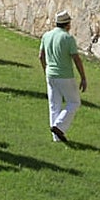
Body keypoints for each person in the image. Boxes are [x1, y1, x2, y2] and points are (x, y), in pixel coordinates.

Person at [39, 10, 87, 142]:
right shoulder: (68, 38)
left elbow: (41, 56)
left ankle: (56, 137)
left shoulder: (47, 35)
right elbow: (76, 59)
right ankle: (59, 126)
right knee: (74, 102)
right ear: (68, 24)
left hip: (51, 74)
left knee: (54, 104)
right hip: (65, 75)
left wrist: (46, 69)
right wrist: (83, 77)